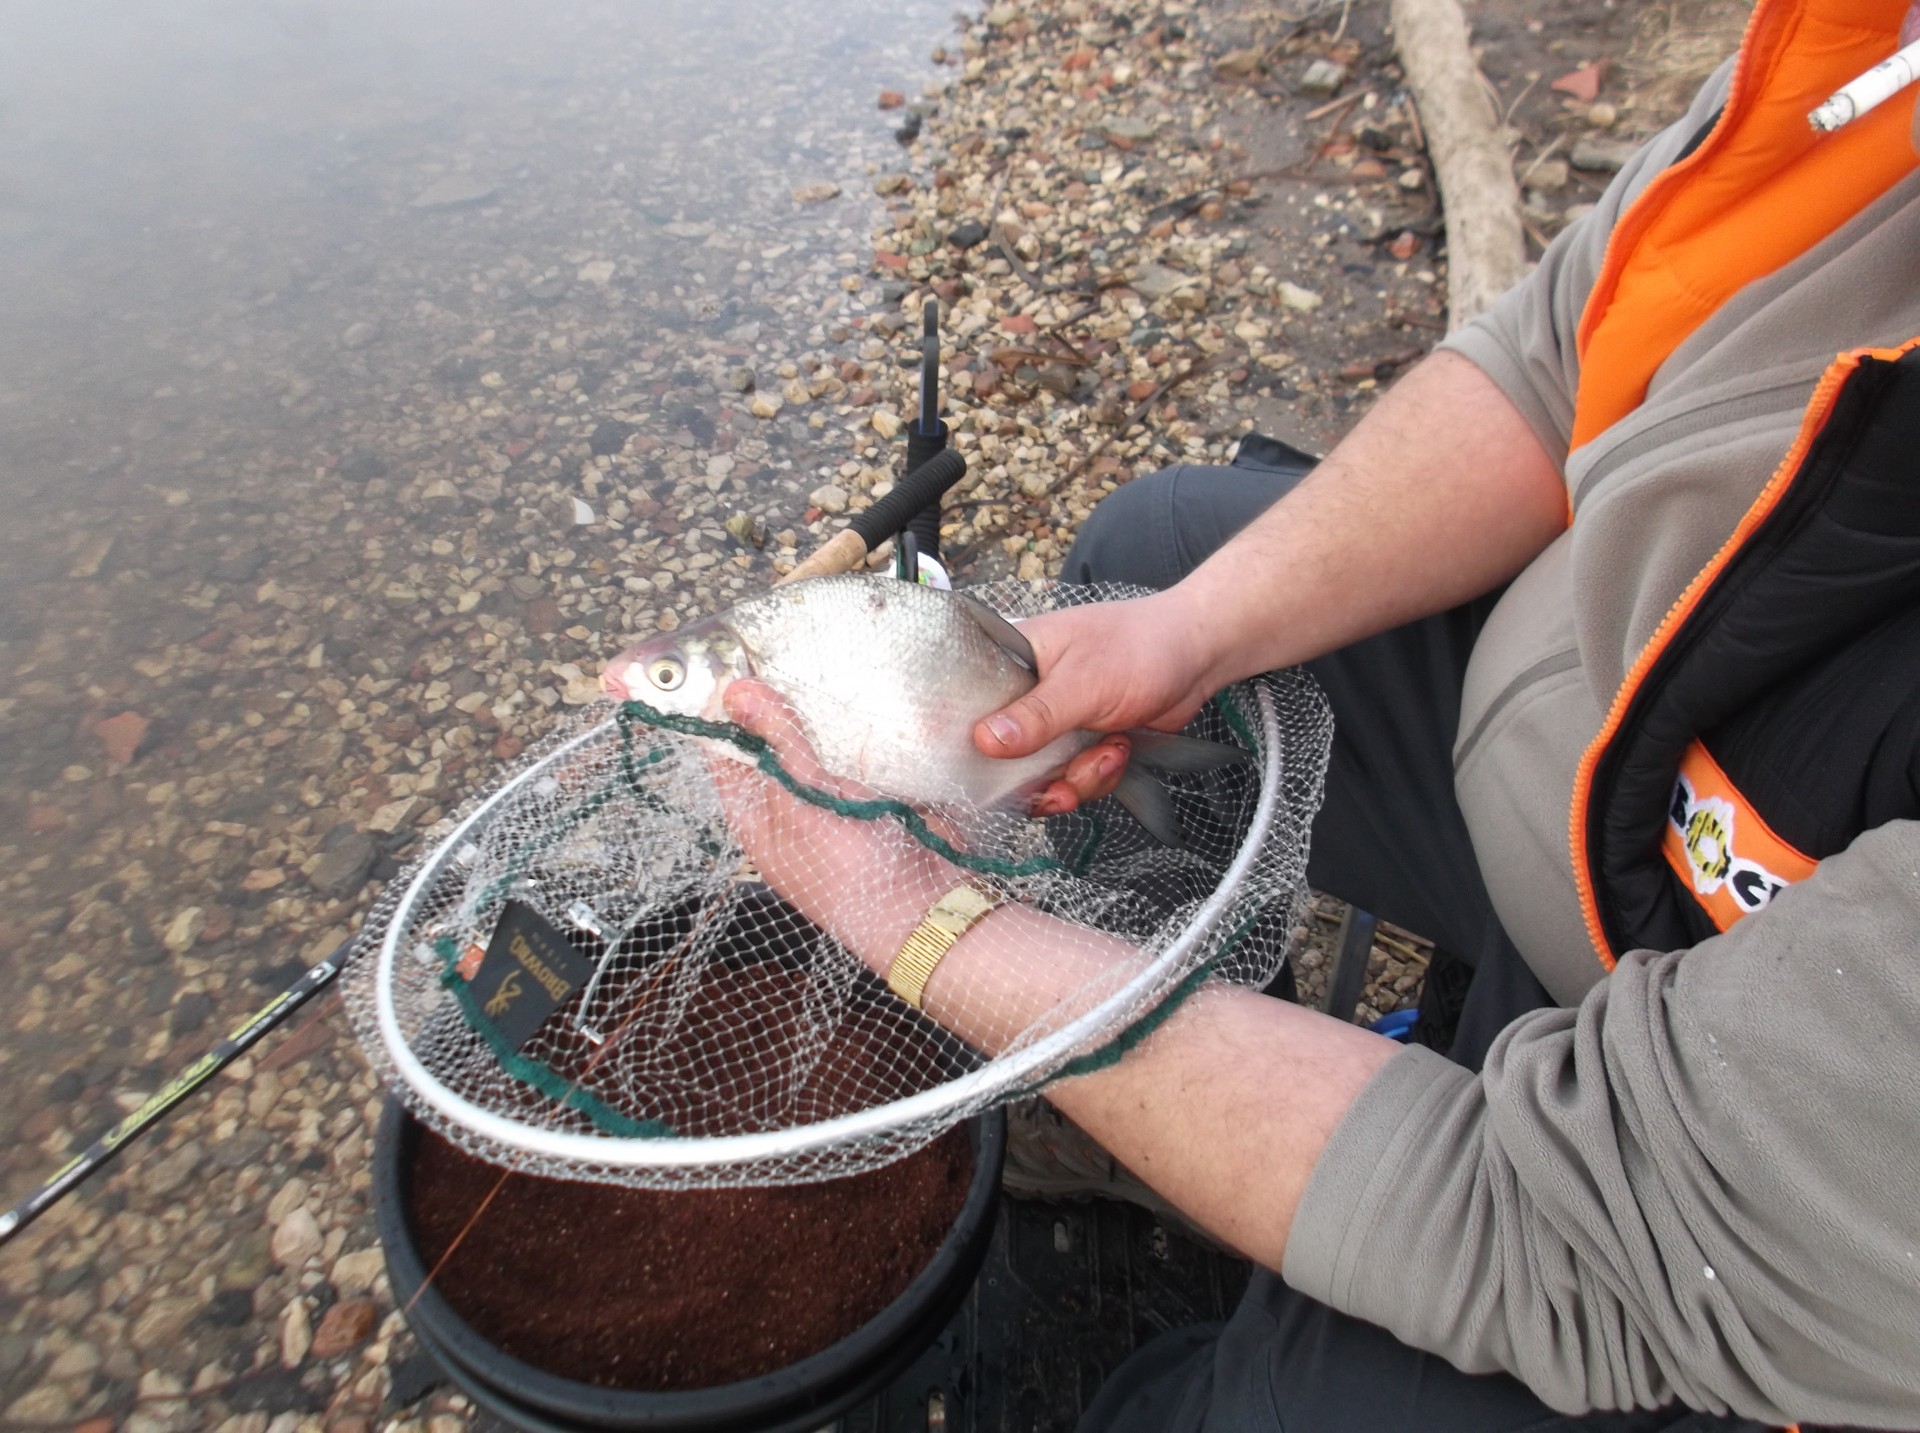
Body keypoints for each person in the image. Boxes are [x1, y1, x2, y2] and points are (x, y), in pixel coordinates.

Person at [716, 0, 1920, 1426]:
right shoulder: (1871, 67)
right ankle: (1181, 1094)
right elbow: (1557, 360)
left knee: (1270, 1405)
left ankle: (1210, 1177)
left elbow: (1583, 1232)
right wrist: (1188, 627)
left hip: (1697, 1202)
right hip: (1615, 764)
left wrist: (926, 921)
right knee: (1158, 548)